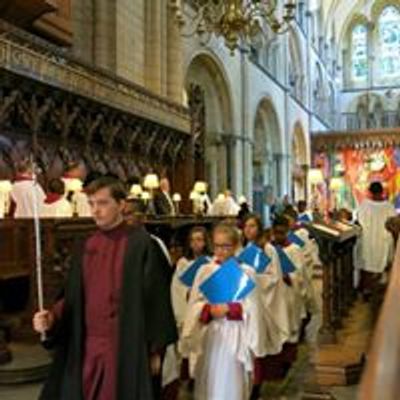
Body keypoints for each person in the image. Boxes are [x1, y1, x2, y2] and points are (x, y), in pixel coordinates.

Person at [32, 176, 177, 400]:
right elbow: (72, 298)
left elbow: (156, 302)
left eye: (102, 203)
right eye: (91, 204)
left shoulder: (142, 245)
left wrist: (155, 351)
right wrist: (51, 318)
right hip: (87, 345)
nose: (95, 211)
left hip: (126, 345)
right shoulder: (86, 245)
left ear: (121, 204)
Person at [181, 223, 266, 400]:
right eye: (217, 246)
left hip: (236, 334)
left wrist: (230, 308)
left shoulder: (246, 271)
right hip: (211, 334)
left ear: (235, 246)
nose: (221, 251)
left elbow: (254, 308)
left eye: (226, 246)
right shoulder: (205, 271)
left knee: (231, 385)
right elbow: (194, 305)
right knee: (210, 383)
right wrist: (207, 310)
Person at [354, 181, 396, 299]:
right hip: (383, 241)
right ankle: (379, 290)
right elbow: (393, 224)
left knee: (367, 264)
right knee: (381, 264)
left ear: (370, 192)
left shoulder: (364, 205)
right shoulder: (389, 206)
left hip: (367, 240)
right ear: (382, 192)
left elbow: (359, 221)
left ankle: (366, 289)